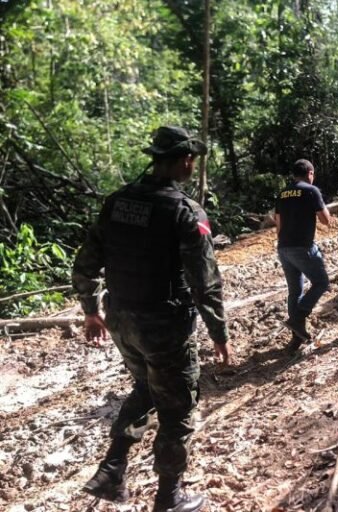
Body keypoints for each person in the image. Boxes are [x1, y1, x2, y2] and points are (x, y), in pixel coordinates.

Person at [72, 126, 231, 512]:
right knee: (177, 406)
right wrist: (219, 332)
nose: (192, 163)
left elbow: (86, 263)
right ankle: (169, 497)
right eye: (189, 157)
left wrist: (91, 312)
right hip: (163, 325)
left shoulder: (116, 202)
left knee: (146, 387)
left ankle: (112, 468)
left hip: (121, 320)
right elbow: (204, 280)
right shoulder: (184, 211)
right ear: (182, 161)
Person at [274, 159, 332, 352]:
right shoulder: (311, 191)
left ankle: (296, 337)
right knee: (322, 282)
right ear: (310, 173)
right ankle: (298, 317)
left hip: (283, 248)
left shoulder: (282, 193)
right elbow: (326, 221)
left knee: (295, 291)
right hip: (303, 247)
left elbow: (278, 223)